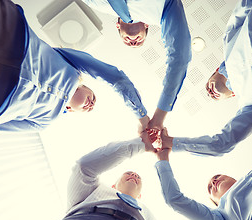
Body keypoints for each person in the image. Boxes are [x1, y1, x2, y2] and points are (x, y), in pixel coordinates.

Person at [158, 0, 252, 157]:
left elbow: (247, 3)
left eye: (207, 86)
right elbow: (221, 144)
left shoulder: (228, 41)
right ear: (230, 96)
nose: (210, 93)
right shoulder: (251, 106)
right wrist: (171, 142)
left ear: (216, 70)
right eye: (212, 97)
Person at [0, 0, 148, 131]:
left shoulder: (44, 122)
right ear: (84, 85)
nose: (91, 104)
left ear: (71, 110)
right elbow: (115, 78)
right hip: (13, 35)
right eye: (93, 97)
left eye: (89, 107)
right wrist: (142, 117)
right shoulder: (72, 68)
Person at [24, 131, 166, 220]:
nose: (134, 175)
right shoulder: (92, 191)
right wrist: (140, 144)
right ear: (113, 186)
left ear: (140, 196)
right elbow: (84, 167)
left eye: (137, 177)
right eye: (128, 173)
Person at [82, 0, 192, 132]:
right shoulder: (165, 11)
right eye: (140, 40)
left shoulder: (97, 3)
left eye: (126, 40)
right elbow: (180, 57)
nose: (133, 43)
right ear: (146, 25)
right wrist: (159, 116)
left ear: (118, 26)